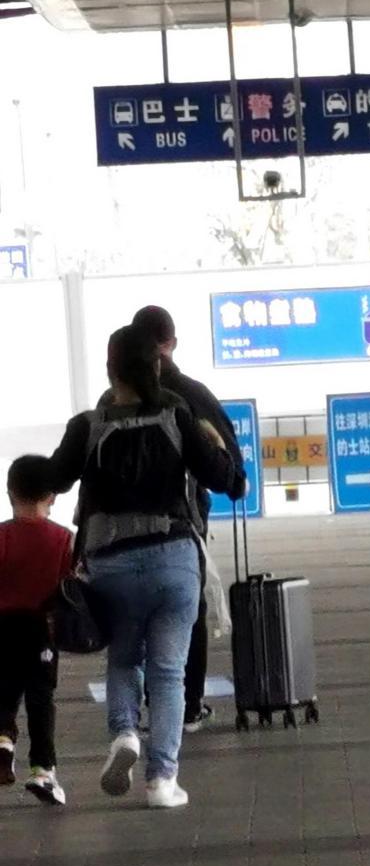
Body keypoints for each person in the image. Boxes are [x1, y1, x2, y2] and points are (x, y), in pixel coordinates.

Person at [46, 326, 242, 808]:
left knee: (124, 659)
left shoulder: (87, 426)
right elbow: (224, 478)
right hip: (173, 560)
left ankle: (124, 734)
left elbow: (52, 479)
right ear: (156, 365)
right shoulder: (177, 414)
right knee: (168, 672)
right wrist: (214, 443)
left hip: (111, 564)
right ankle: (161, 781)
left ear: (110, 370)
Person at [127, 305, 245, 732]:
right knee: (185, 608)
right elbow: (229, 467)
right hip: (182, 523)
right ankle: (188, 704)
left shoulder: (114, 398)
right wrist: (234, 482)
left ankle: (140, 708)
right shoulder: (191, 395)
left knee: (139, 613)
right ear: (171, 342)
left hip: (125, 529)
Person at [0, 456, 74, 805]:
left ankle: (3, 740)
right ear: (53, 496)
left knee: (4, 691)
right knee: (40, 699)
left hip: (2, 627)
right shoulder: (63, 539)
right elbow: (70, 586)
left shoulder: (1, 536)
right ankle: (43, 771)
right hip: (42, 629)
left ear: (10, 493)